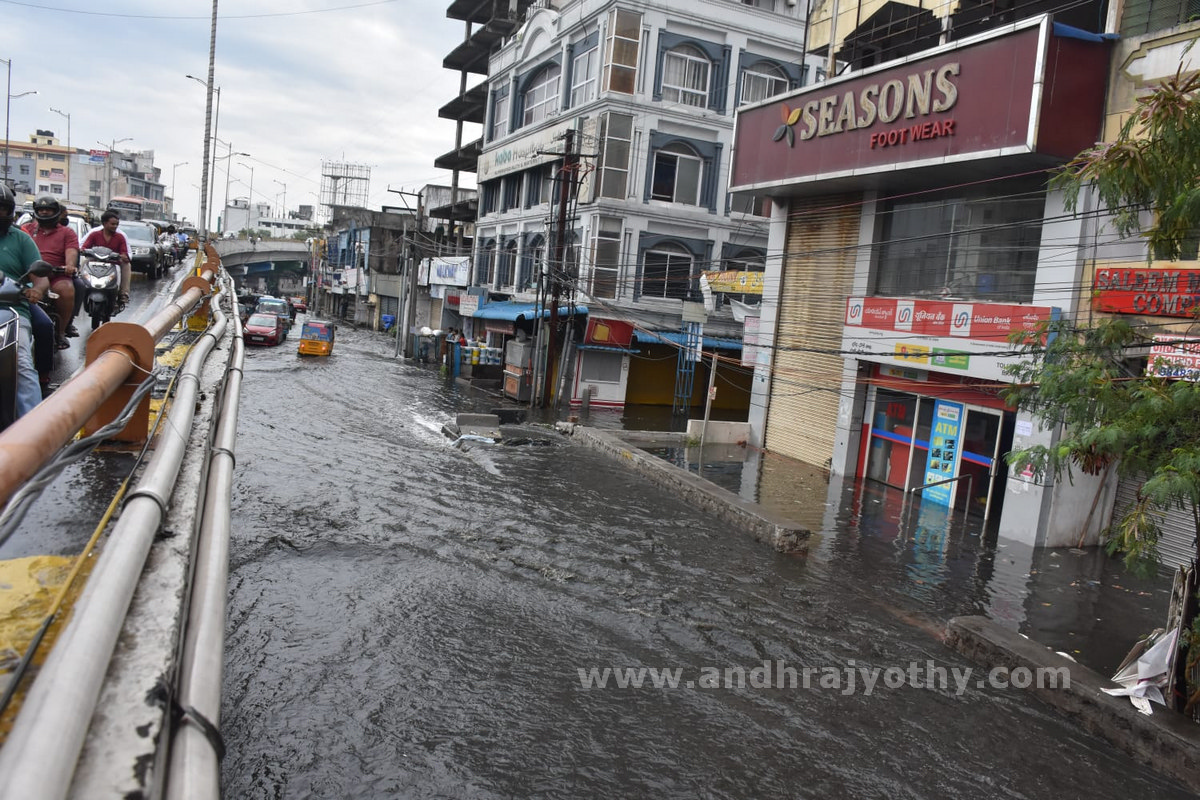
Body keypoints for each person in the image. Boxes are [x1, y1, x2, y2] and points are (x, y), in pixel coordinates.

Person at [0, 183, 52, 418]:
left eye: (2, 208)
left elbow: (40, 278)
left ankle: (33, 425)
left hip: (13, 309)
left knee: (20, 362)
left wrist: (37, 291)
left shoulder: (21, 240)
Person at [21, 195, 78, 349]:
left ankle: (60, 332)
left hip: (56, 275)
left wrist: (69, 266)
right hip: (29, 275)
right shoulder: (25, 229)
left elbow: (71, 252)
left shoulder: (67, 232)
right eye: (41, 209)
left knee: (67, 290)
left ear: (56, 212)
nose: (45, 212)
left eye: (48, 209)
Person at [80, 210, 131, 311]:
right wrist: (82, 250)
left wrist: (123, 256)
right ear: (104, 223)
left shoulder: (120, 237)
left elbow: (124, 252)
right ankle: (81, 287)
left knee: (127, 265)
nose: (115, 226)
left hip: (113, 263)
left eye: (116, 224)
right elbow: (85, 246)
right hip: (95, 262)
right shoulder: (94, 234)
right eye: (112, 224)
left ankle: (123, 294)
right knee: (83, 263)